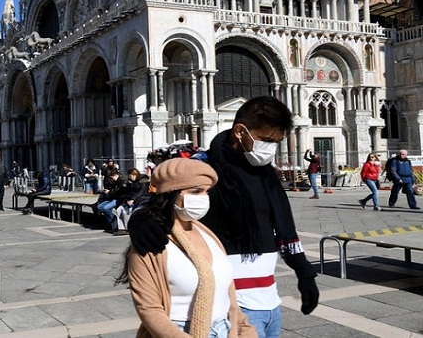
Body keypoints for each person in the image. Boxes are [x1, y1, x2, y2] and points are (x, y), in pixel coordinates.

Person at [129, 96, 319, 338]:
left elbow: (281, 223)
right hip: (232, 301)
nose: (271, 148)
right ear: (241, 131)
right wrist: (139, 216)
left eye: (276, 142)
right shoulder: (205, 165)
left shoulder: (266, 173)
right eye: (266, 140)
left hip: (268, 297)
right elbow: (158, 191)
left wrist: (303, 270)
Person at [116, 158, 256, 337]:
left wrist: (244, 329)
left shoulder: (208, 234)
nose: (204, 198)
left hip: (226, 329)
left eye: (207, 192)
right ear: (171, 193)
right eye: (196, 191)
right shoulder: (151, 242)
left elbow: (227, 294)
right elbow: (149, 309)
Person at [113, 168, 150, 235]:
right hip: (131, 199)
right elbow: (129, 191)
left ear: (134, 175)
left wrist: (133, 199)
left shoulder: (143, 181)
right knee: (119, 209)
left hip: (141, 199)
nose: (129, 177)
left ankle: (127, 227)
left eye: (130, 176)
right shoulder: (132, 182)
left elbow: (142, 191)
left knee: (126, 211)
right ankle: (122, 228)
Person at [96, 168, 129, 232]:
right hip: (114, 197)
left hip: (120, 198)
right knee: (99, 207)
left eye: (112, 178)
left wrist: (109, 192)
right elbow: (113, 190)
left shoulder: (122, 180)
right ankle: (111, 221)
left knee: (106, 208)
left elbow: (119, 191)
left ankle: (114, 222)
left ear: (116, 175)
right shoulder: (115, 181)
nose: (111, 179)